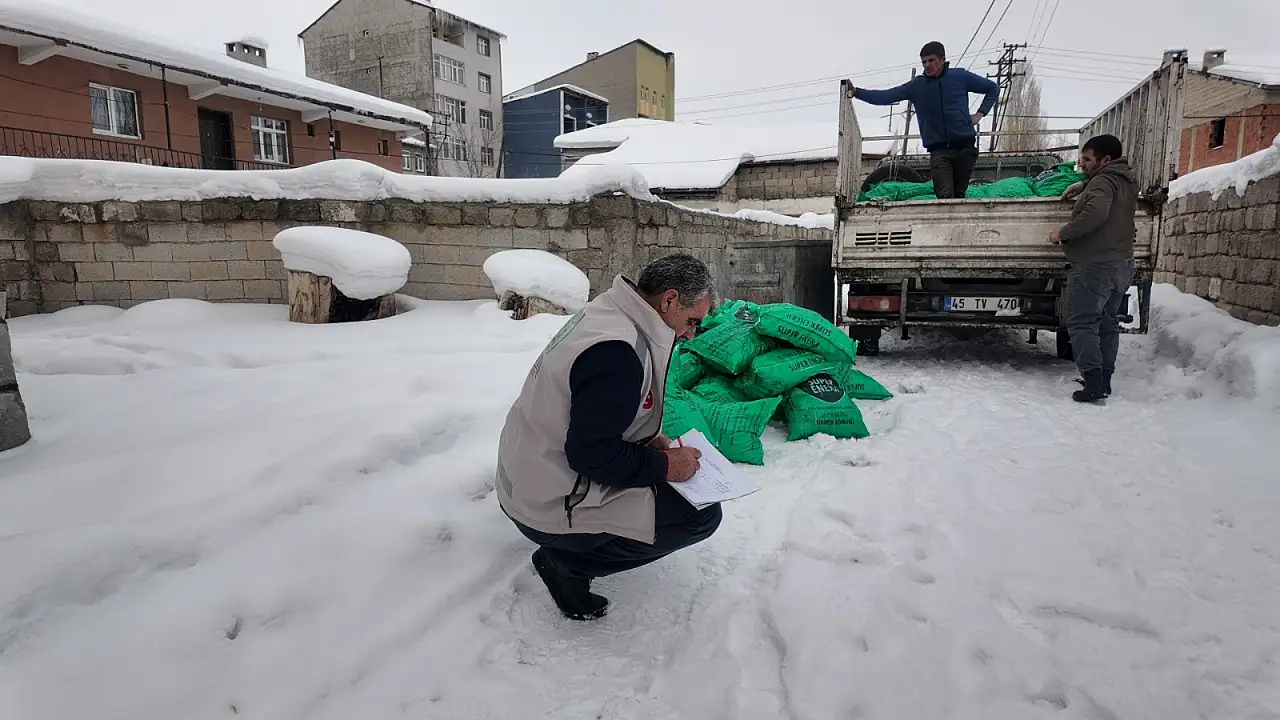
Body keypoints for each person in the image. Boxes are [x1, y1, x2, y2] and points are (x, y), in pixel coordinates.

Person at [495, 253, 719, 621]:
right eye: (692, 321)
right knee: (701, 514)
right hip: (546, 501)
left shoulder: (610, 311)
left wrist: (648, 441)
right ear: (669, 299)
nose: (690, 334)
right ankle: (565, 564)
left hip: (526, 476)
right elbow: (592, 455)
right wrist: (665, 466)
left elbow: (596, 411)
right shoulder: (618, 350)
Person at [849, 41, 1000, 199]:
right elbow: (886, 96)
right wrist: (857, 92)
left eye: (931, 60)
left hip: (965, 147)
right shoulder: (917, 86)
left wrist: (980, 113)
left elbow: (992, 88)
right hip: (939, 150)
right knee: (944, 195)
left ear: (942, 60)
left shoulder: (959, 77)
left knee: (959, 195)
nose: (927, 65)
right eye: (924, 62)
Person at [1050, 134, 1137, 403]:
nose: (1082, 164)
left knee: (1082, 323)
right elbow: (1104, 198)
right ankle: (1103, 380)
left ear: (1105, 160)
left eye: (1087, 160)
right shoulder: (1125, 180)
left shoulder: (1102, 182)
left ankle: (1092, 383)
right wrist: (1083, 186)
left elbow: (1096, 213)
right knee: (1108, 324)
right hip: (1121, 264)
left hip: (1094, 265)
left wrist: (1063, 233)